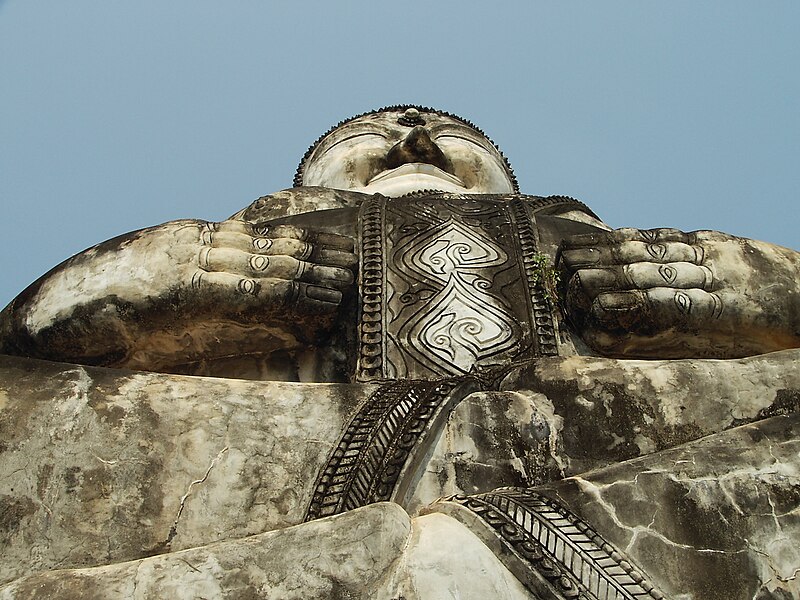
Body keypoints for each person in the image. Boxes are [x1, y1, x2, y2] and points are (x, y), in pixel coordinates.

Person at [1, 105, 799, 598]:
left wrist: (752, 283)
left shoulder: (593, 239)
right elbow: (28, 343)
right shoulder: (270, 230)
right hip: (291, 444)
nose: (413, 137)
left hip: (623, 436)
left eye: (450, 134)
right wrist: (150, 272)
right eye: (366, 134)